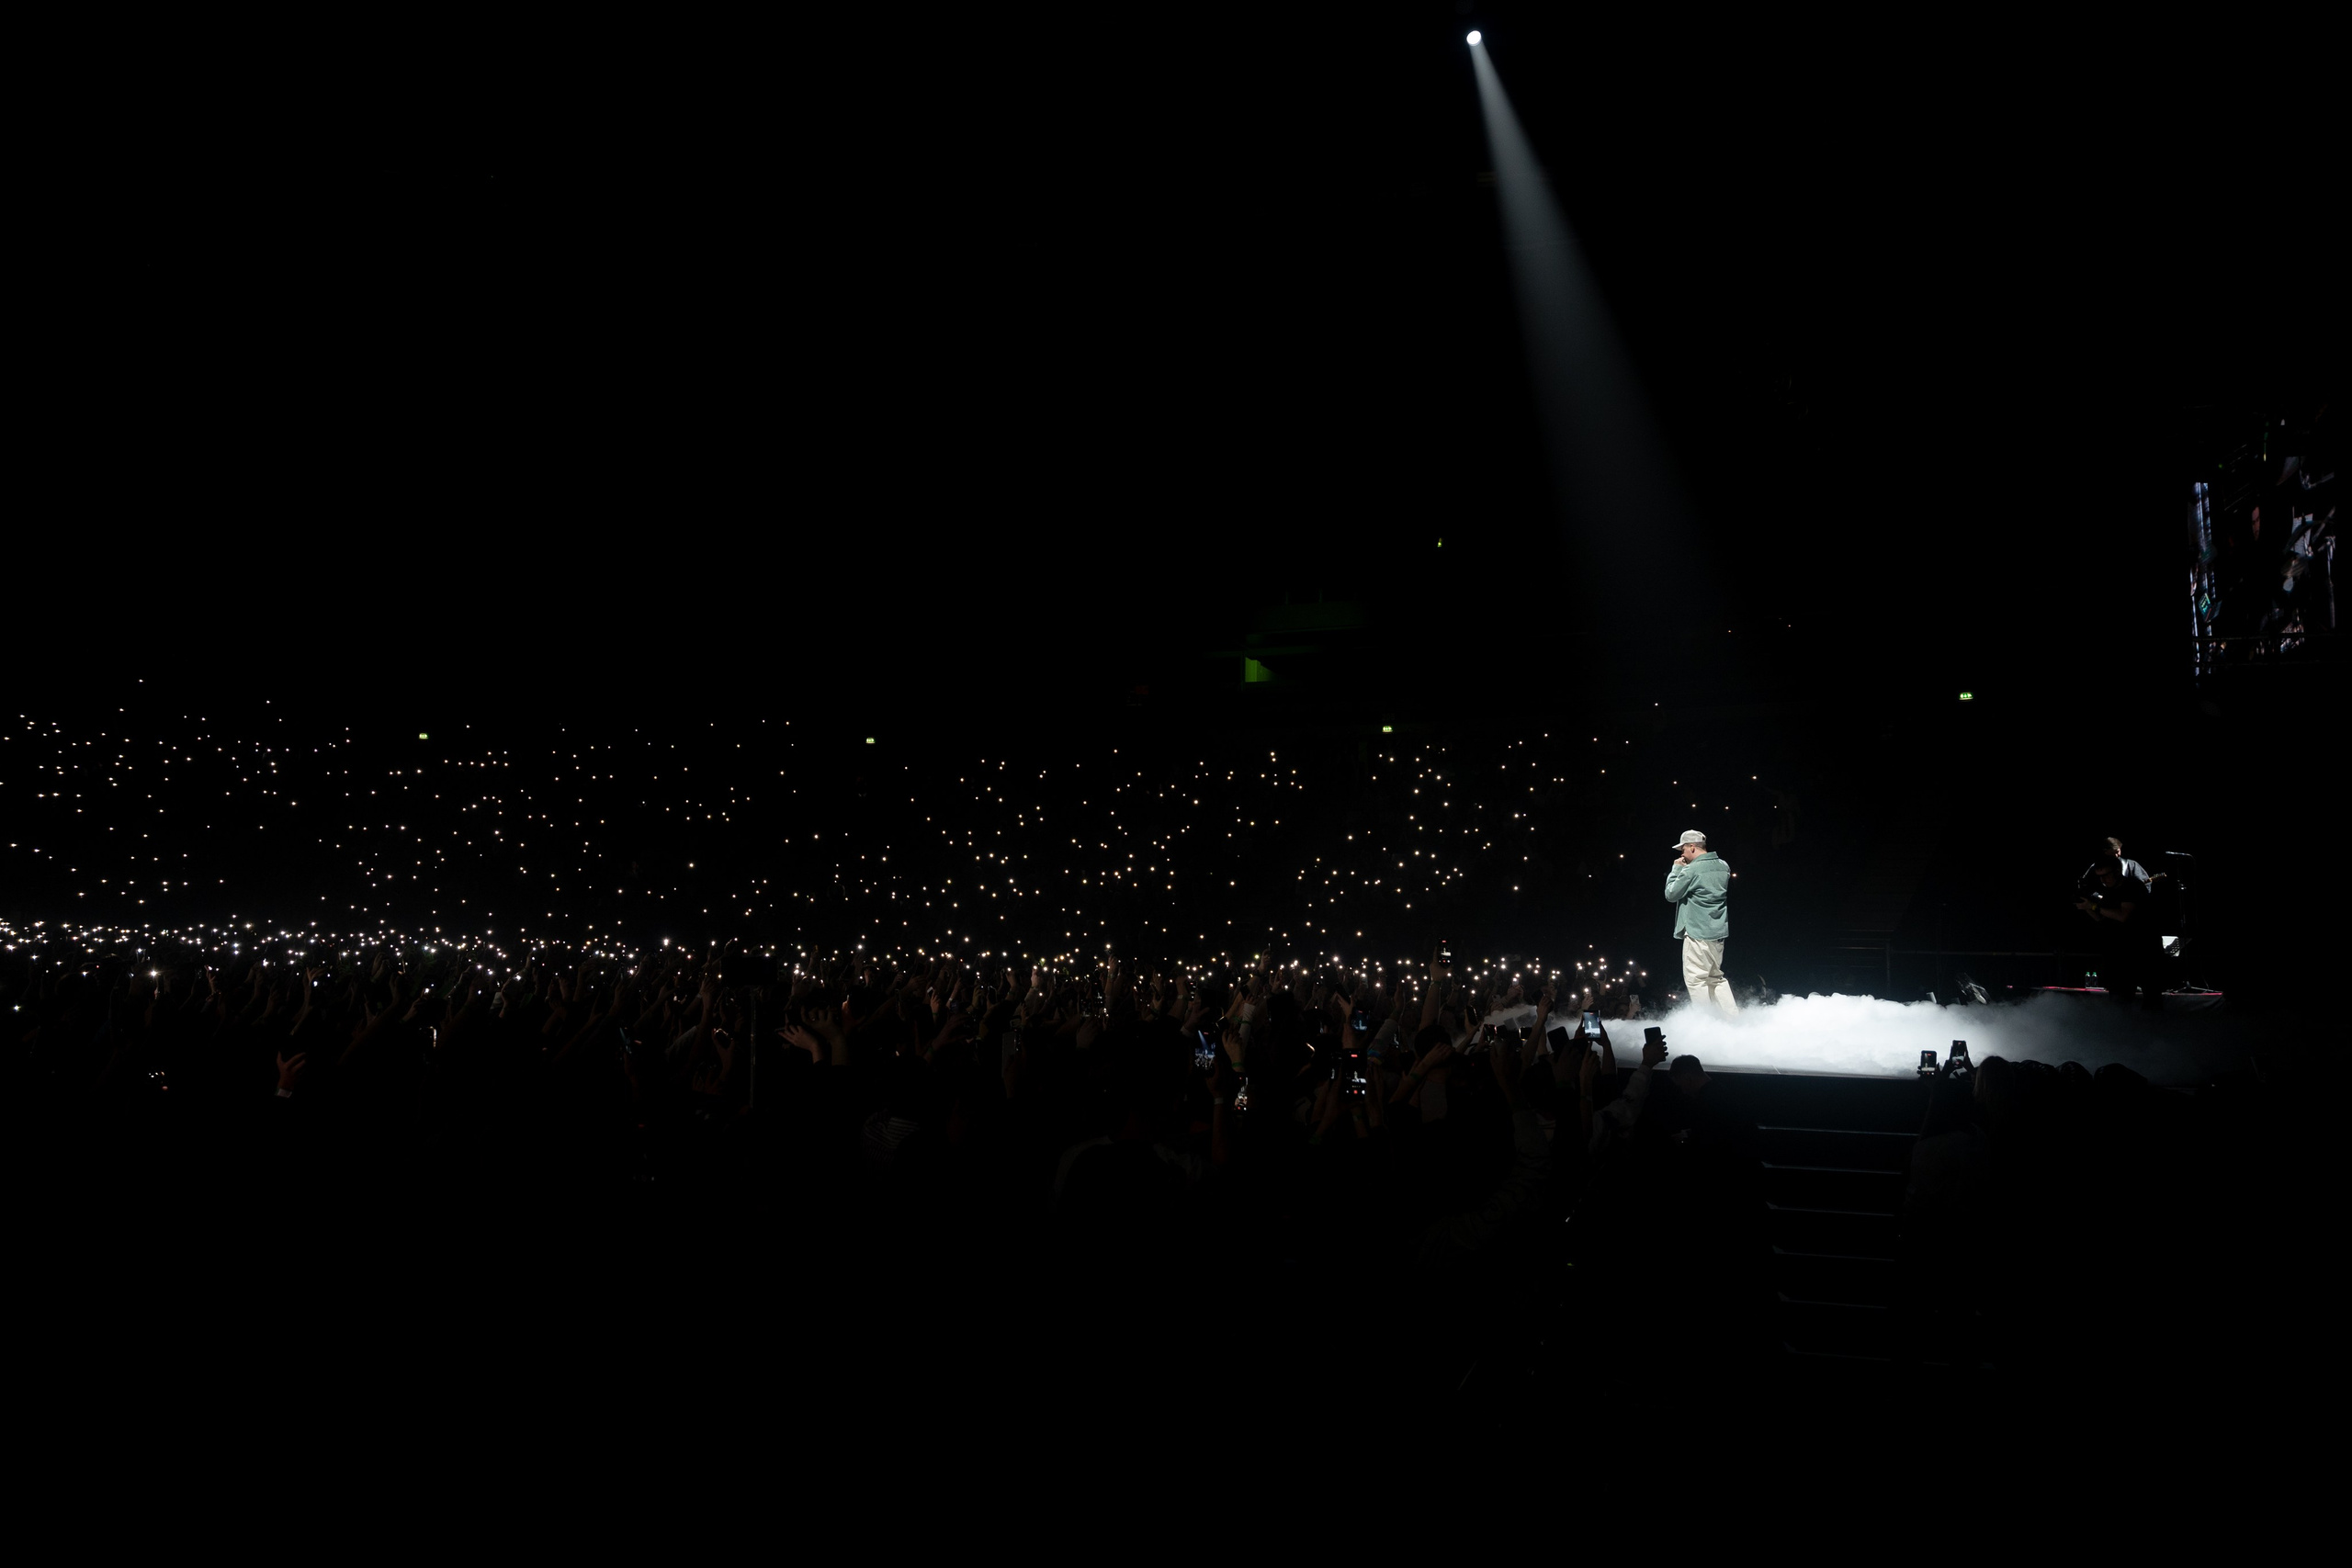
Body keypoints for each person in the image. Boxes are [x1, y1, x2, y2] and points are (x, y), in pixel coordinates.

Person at [1665, 830, 1737, 1018]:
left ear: (1692, 847)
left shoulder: (1691, 870)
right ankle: (1732, 1019)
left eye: (1683, 849)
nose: (1681, 854)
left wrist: (1677, 870)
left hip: (1698, 932)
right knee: (1716, 978)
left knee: (1696, 980)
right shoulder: (1724, 866)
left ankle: (1706, 1023)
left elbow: (1671, 894)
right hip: (1717, 931)